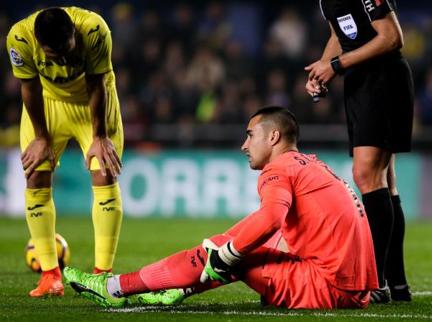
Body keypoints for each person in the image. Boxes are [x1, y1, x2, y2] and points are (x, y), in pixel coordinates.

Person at [64, 106, 378, 309]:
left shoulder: (279, 169)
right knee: (239, 242)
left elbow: (271, 218)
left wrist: (228, 253)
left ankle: (114, 287)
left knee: (224, 251)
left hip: (326, 288)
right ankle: (178, 288)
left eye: (250, 135)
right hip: (354, 289)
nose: (244, 145)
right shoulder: (312, 165)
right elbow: (277, 228)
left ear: (273, 136)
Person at [6, 7, 124, 297]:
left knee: (105, 173)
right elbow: (29, 87)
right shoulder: (19, 39)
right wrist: (41, 137)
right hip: (47, 102)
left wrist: (99, 136)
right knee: (35, 177)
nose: (61, 59)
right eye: (52, 55)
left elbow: (97, 83)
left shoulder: (96, 30)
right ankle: (50, 276)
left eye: (65, 50)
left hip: (91, 102)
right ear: (37, 40)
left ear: (74, 33)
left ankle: (102, 276)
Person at [304, 0, 414, 302]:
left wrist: (336, 65)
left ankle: (375, 282)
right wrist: (320, 71)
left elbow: (392, 37)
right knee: (384, 183)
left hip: (384, 79)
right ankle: (396, 284)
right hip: (360, 82)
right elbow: (339, 36)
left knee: (365, 174)